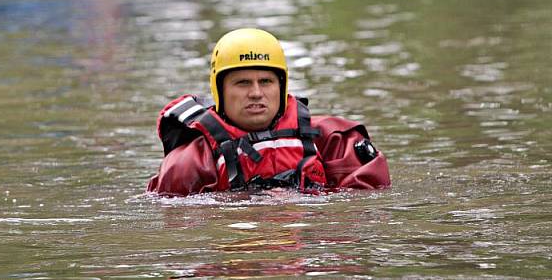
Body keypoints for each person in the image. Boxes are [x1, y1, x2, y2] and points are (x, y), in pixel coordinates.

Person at [147, 28, 391, 196]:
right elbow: (178, 230)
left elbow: (369, 205)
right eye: (242, 83)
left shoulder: (334, 140)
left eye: (266, 81)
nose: (256, 93)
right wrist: (254, 205)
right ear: (219, 91)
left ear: (282, 86)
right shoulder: (187, 164)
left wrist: (303, 203)